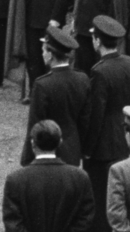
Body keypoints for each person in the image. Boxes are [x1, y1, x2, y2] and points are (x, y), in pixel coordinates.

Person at [80, 15, 130, 232]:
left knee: (100, 191)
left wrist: (88, 147)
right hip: (126, 133)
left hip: (105, 139)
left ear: (97, 41)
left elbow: (96, 114)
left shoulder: (99, 71)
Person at [22, 26, 90, 165]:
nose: (41, 52)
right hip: (72, 148)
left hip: (47, 151)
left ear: (50, 54)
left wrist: (27, 158)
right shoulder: (82, 79)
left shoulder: (43, 84)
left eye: (43, 48)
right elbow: (85, 119)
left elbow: (35, 123)